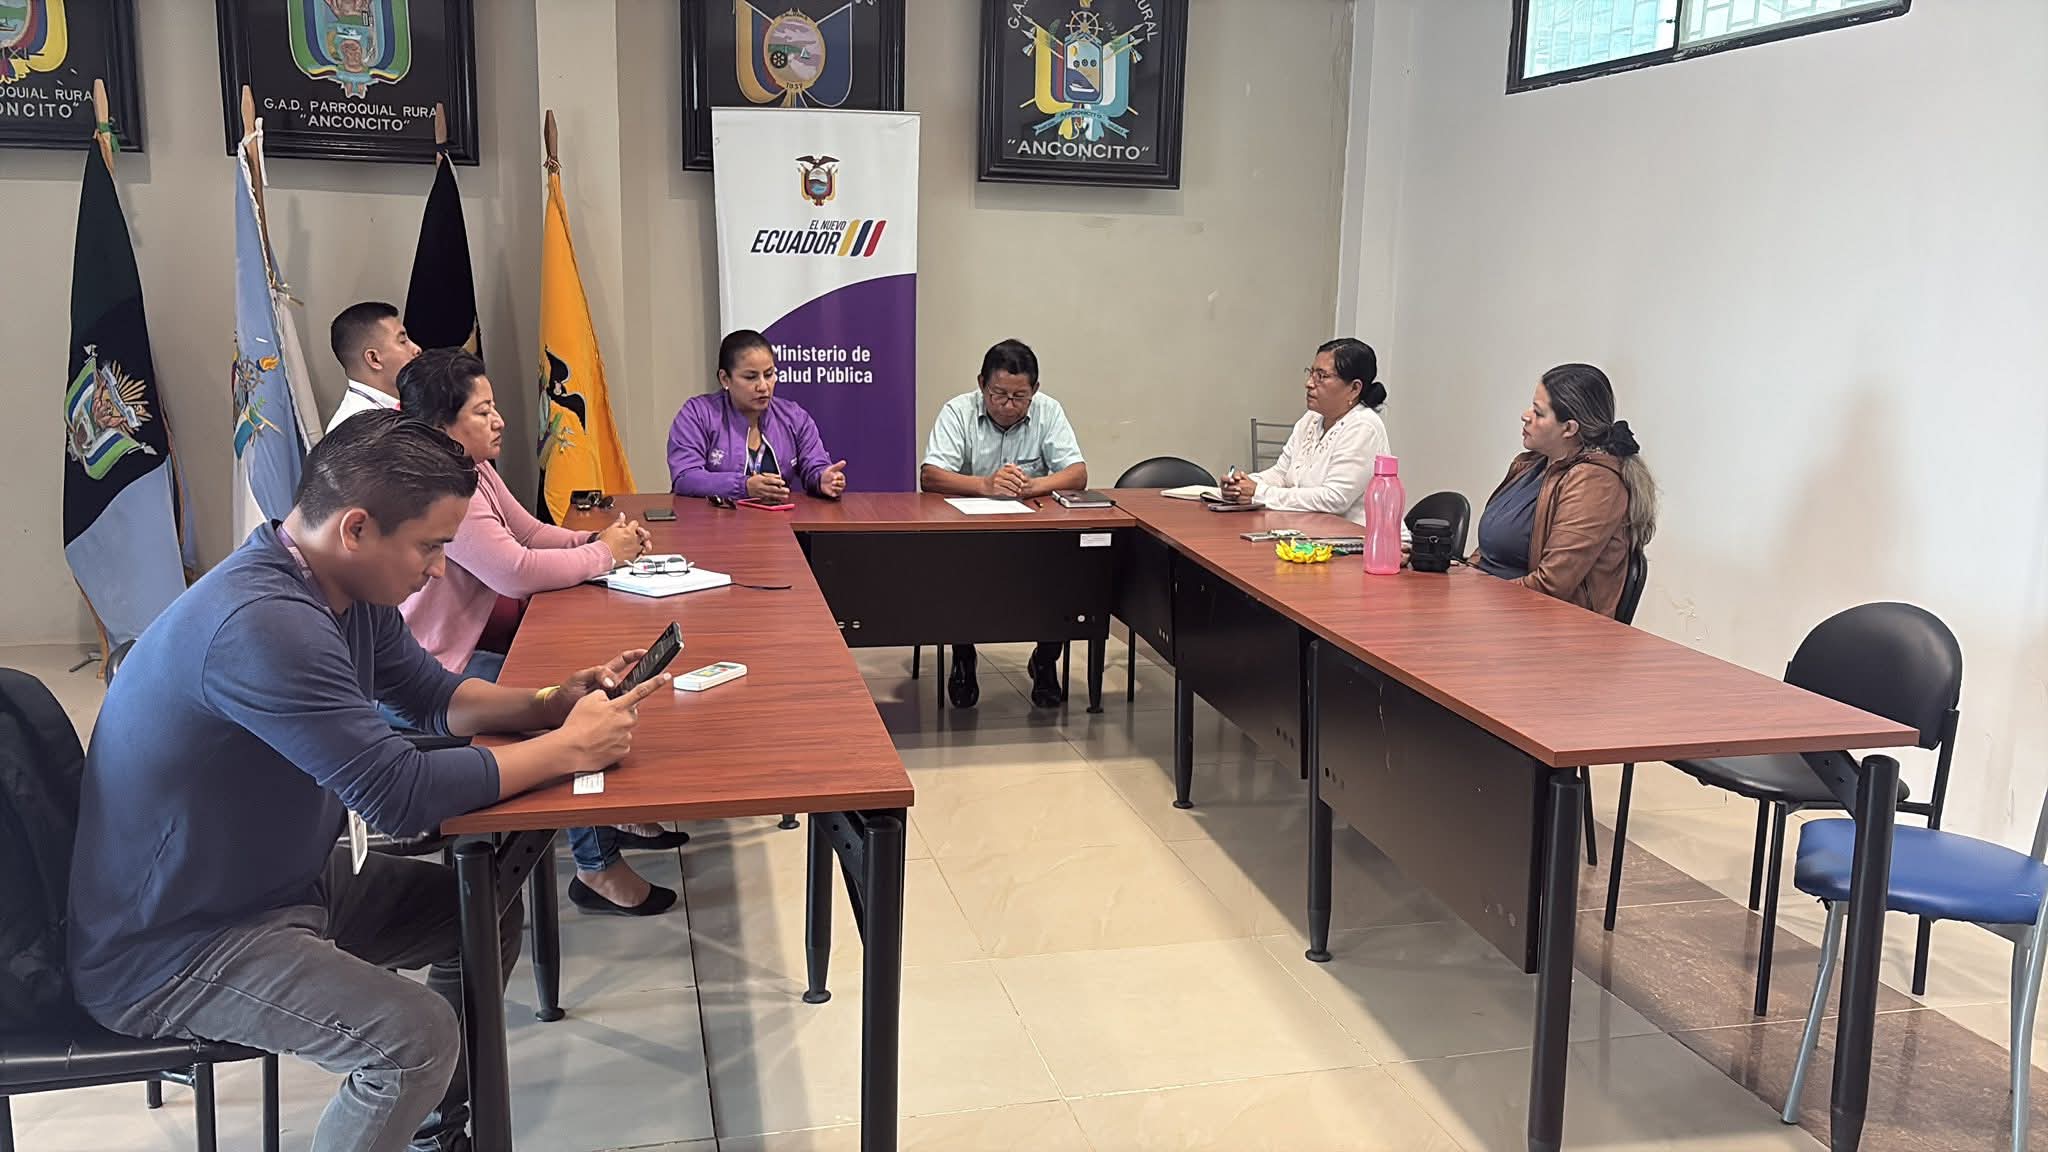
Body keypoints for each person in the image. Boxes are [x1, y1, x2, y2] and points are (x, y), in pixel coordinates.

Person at [67, 410, 672, 1152]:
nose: (440, 569)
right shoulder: (262, 624)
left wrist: (548, 706)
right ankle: (418, 1115)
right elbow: (398, 795)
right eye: (430, 546)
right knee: (411, 1040)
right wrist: (566, 751)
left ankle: (431, 1131)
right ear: (356, 528)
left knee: (478, 910)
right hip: (176, 946)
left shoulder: (339, 585)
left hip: (276, 884)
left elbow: (430, 696)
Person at [397, 348, 685, 918]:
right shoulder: (438, 487)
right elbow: (515, 570)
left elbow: (528, 533)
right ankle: (595, 866)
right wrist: (606, 554)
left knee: (584, 672)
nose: (499, 421)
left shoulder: (474, 469)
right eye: (483, 411)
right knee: (565, 703)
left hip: (476, 641)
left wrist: (596, 541)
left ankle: (609, 816)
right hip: (439, 664)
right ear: (443, 427)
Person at [918, 338, 1087, 709]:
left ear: (1034, 390)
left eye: (1019, 397)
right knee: (955, 571)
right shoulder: (958, 411)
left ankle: (1045, 661)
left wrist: (1033, 486)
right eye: (999, 395)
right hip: (968, 535)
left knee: (1068, 571)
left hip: (1033, 536)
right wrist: (984, 485)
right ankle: (963, 656)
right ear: (982, 384)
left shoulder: (1048, 411)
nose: (1008, 405)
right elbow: (930, 476)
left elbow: (1077, 474)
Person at [1472, 363, 1657, 617]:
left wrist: (1475, 596)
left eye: (1538, 412)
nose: (1525, 415)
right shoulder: (1530, 465)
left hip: (1547, 624)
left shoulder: (1595, 483)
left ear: (1569, 428)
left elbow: (1550, 587)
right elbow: (1488, 552)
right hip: (1499, 610)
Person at [1220, 338, 1391, 524]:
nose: (1309, 383)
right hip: (1311, 531)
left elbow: (1334, 499)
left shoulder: (1363, 426)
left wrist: (1258, 493)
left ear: (1354, 388)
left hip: (1360, 536)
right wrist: (1242, 485)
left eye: (1321, 376)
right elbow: (1281, 474)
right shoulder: (1311, 418)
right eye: (1311, 373)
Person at [668, 329, 848, 501]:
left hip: (778, 519)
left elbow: (814, 465)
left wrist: (822, 478)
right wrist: (743, 487)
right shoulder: (698, 414)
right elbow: (685, 477)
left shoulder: (793, 417)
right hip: (713, 520)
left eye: (769, 375)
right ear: (724, 379)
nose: (763, 386)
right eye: (750, 377)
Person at [328, 300, 421, 431]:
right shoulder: (358, 430)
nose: (417, 349)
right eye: (403, 341)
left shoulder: (410, 401)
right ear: (374, 359)